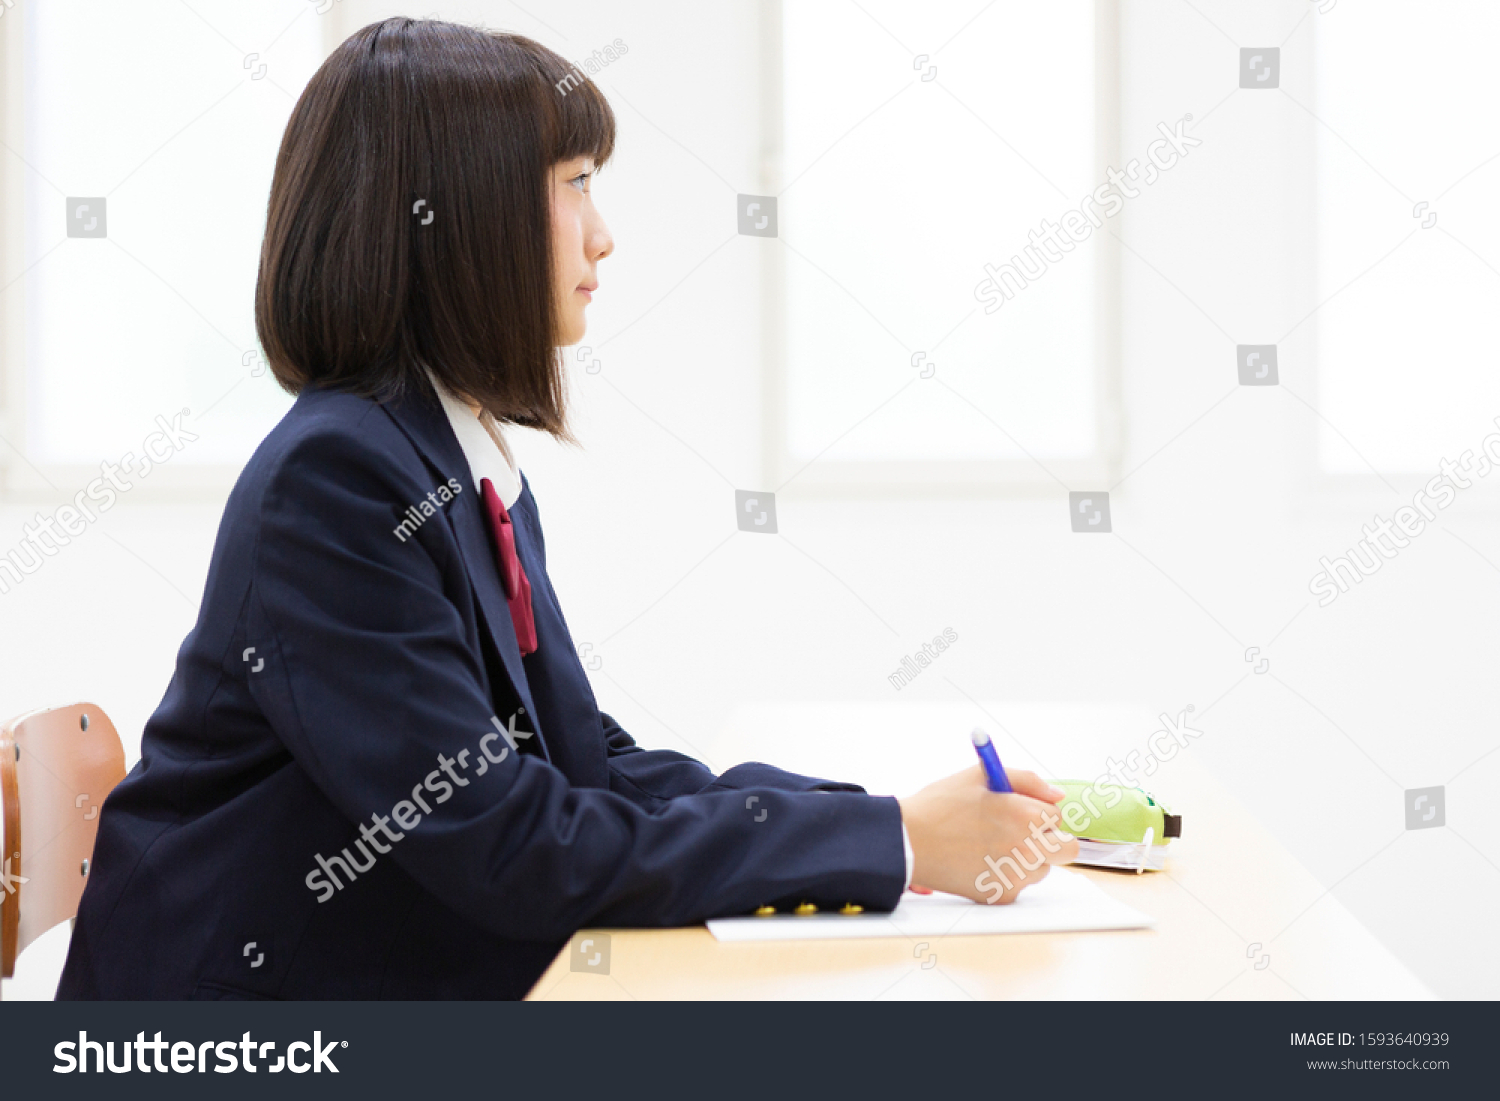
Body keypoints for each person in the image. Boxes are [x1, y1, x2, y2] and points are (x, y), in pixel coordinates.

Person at [58, 18, 1076, 1001]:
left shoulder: (450, 456)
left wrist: (888, 823)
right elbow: (512, 844)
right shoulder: (336, 481)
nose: (605, 234)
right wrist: (894, 840)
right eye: (576, 185)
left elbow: (585, 765)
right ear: (462, 213)